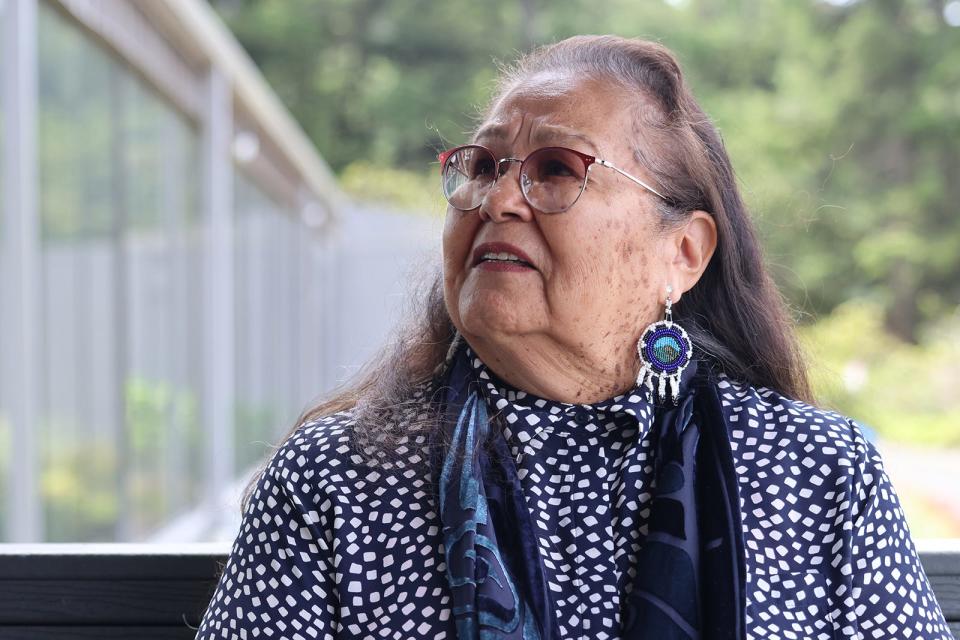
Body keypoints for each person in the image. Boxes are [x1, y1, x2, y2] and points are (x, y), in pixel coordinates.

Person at [195, 35, 953, 640]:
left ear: (682, 254)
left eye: (556, 169)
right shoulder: (337, 479)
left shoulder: (818, 476)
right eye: (483, 166)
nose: (496, 199)